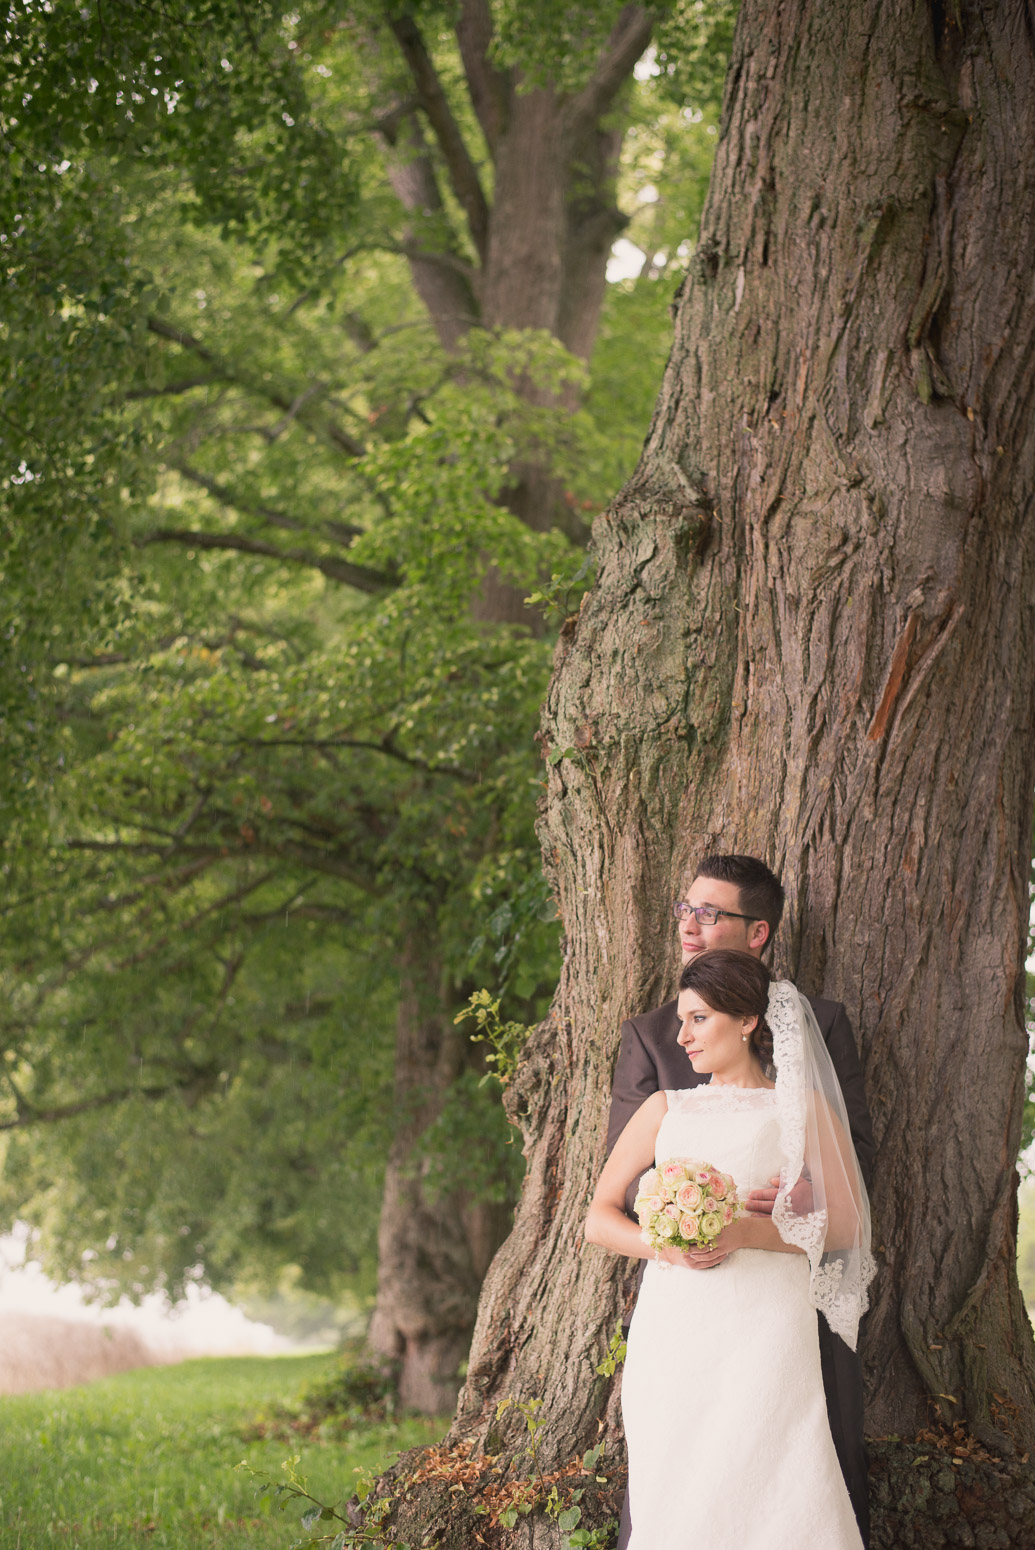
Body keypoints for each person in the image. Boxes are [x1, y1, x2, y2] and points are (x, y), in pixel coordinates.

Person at [606, 855, 875, 1546]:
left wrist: (792, 1202)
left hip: (772, 1302)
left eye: (709, 913)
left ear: (755, 932)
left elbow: (851, 1163)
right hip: (681, 1302)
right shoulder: (652, 1043)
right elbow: (624, 1188)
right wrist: (672, 1221)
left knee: (780, 1461)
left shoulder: (816, 1035)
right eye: (684, 909)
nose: (690, 926)